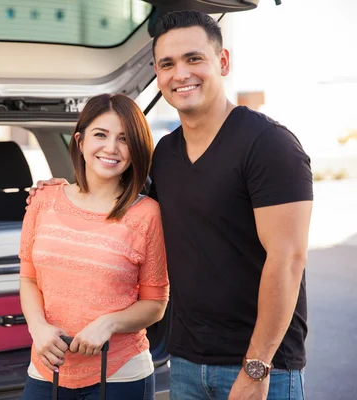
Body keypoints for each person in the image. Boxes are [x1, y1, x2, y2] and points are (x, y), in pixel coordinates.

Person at [28, 10, 313, 400]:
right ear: (158, 75)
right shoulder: (165, 153)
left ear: (223, 62)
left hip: (261, 367)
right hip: (185, 363)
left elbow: (288, 259)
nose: (181, 73)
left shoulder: (269, 145)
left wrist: (256, 367)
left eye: (193, 58)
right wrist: (62, 189)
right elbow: (113, 198)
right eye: (167, 64)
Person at [18, 93, 170, 399]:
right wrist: (38, 328)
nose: (111, 148)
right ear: (80, 140)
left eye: (124, 139)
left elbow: (156, 305)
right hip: (47, 367)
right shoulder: (43, 201)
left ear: (136, 149)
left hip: (120, 374)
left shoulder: (148, 214)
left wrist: (108, 323)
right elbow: (29, 279)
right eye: (100, 134)